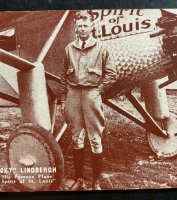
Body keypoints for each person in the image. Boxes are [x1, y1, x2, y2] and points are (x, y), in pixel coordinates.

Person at [60, 10, 117, 190]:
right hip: (73, 94)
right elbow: (63, 74)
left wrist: (99, 90)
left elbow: (112, 74)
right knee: (77, 137)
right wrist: (64, 98)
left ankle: (95, 181)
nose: (83, 29)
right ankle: (79, 179)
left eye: (86, 25)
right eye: (80, 26)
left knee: (95, 139)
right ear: (76, 28)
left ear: (91, 26)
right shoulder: (69, 48)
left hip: (92, 94)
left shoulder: (102, 48)